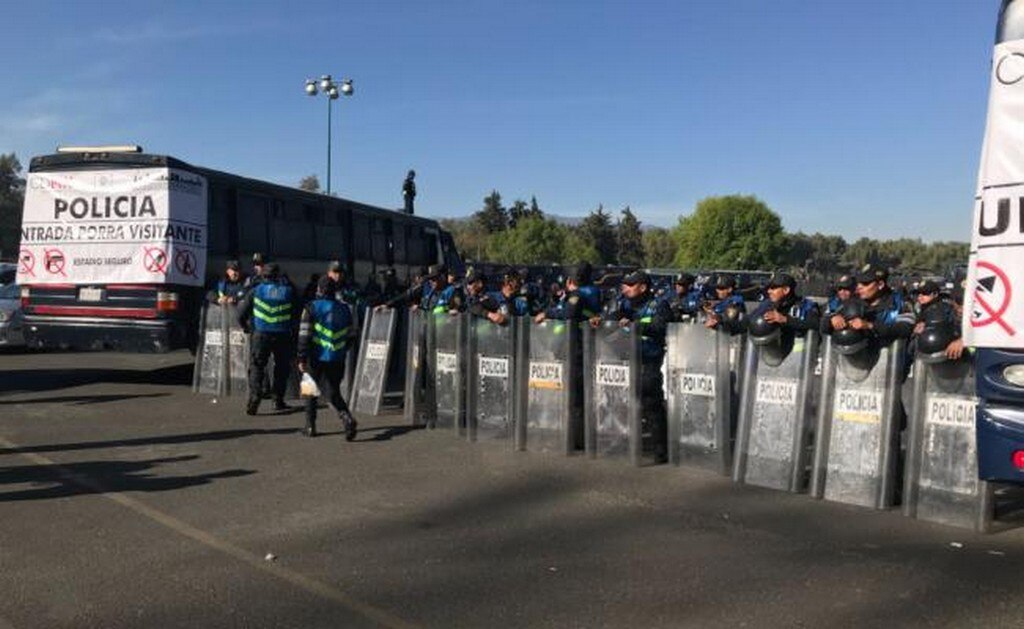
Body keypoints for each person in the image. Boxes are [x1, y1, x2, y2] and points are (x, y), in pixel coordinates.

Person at [599, 270, 672, 463]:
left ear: (643, 287)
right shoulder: (624, 305)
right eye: (626, 285)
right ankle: (623, 444)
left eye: (631, 285)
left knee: (651, 405)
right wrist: (602, 321)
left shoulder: (658, 305)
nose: (626, 289)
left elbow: (661, 327)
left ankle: (660, 450)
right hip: (625, 361)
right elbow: (610, 321)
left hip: (648, 361)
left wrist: (636, 325)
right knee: (620, 404)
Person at [297, 276, 358, 439]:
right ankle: (346, 417)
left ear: (319, 289)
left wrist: (301, 357)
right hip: (337, 357)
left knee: (309, 390)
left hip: (315, 356)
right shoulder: (345, 309)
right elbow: (352, 334)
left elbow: (304, 334)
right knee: (333, 393)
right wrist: (342, 349)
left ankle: (310, 426)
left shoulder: (311, 307)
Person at [237, 263, 298, 415]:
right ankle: (278, 400)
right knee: (281, 368)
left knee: (257, 366)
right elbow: (298, 313)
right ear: (278, 276)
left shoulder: (255, 291)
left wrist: (247, 327)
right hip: (283, 334)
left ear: (263, 276)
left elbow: (241, 314)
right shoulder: (288, 291)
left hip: (261, 334)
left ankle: (255, 397)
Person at [822, 264, 914, 345]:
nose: (859, 287)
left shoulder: (899, 302)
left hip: (890, 356)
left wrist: (870, 326)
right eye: (858, 283)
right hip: (856, 356)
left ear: (880, 284)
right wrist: (832, 319)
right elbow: (824, 324)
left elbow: (906, 328)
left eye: (865, 283)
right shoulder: (852, 301)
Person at [747, 272, 821, 342]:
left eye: (773, 288)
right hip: (770, 348)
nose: (769, 291)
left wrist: (785, 320)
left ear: (786, 290)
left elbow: (817, 324)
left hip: (799, 349)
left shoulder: (805, 305)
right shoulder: (766, 305)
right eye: (768, 288)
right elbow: (750, 320)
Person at [913, 279, 964, 361]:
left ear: (935, 294)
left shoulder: (943, 309)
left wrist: (962, 340)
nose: (920, 296)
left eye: (925, 293)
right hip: (924, 353)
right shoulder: (919, 308)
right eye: (918, 293)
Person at [536, 262, 602, 324]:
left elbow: (569, 313)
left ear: (570, 281)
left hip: (573, 329)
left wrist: (547, 314)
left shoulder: (577, 294)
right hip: (586, 328)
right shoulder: (595, 290)